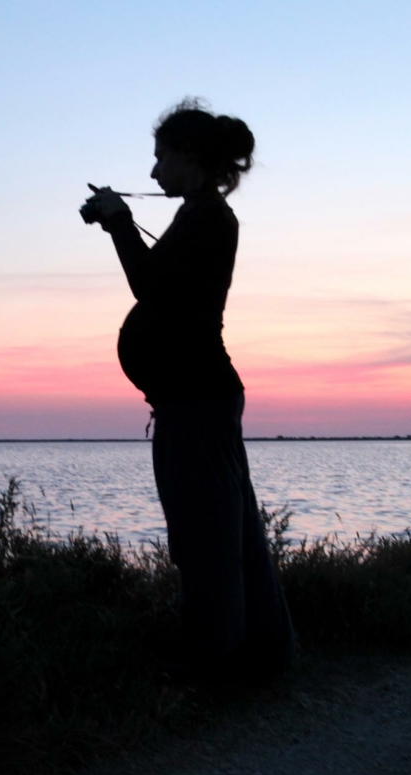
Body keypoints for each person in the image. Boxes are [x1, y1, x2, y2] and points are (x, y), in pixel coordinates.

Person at [83, 99, 298, 678]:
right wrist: (119, 221)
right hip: (198, 397)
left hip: (196, 401)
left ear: (189, 156)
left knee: (205, 536)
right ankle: (261, 654)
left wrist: (119, 222)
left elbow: (150, 286)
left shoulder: (207, 218)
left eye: (160, 158)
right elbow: (164, 287)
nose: (154, 172)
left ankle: (214, 664)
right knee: (228, 531)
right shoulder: (200, 215)